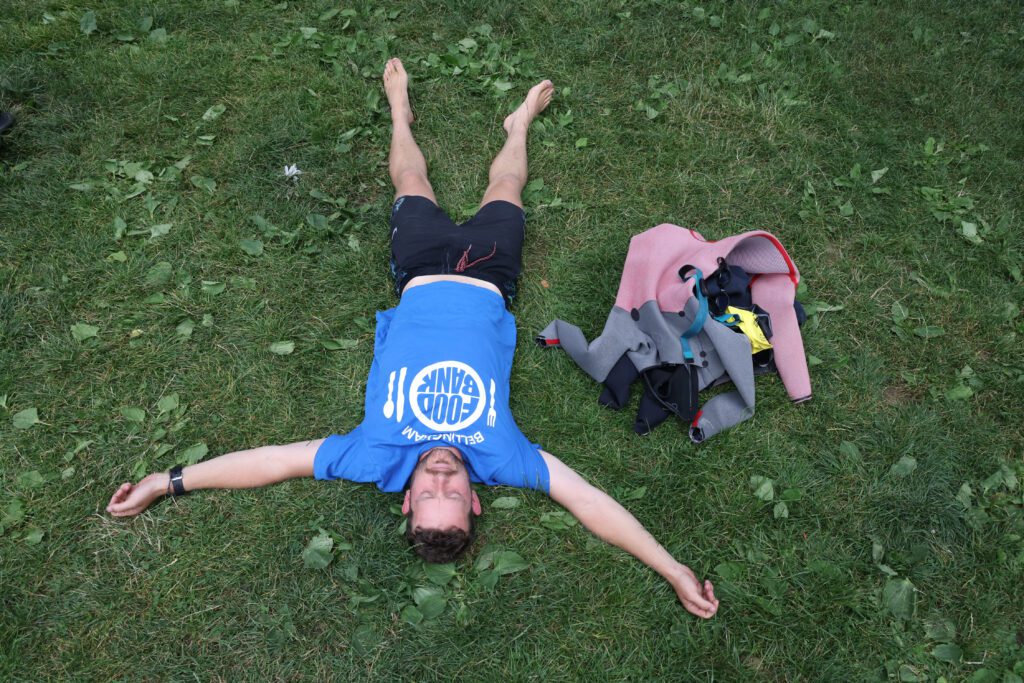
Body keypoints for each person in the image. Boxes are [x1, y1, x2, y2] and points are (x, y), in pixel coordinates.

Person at [107, 58, 719, 619]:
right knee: (506, 190)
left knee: (409, 176)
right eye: (453, 492)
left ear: (406, 500)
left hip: (421, 271)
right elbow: (589, 502)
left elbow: (271, 462)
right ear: (475, 502)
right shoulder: (504, 458)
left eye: (428, 491)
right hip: (488, 275)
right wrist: (671, 568)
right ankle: (518, 126)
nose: (442, 475)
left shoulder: (374, 456)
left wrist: (168, 481)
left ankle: (400, 110)